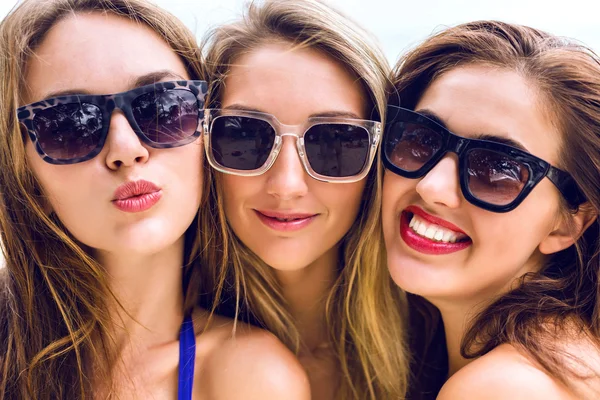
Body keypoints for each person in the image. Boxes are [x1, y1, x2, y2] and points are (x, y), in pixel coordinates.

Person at [0, 0, 309, 398]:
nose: (126, 149)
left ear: (206, 132)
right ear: (25, 175)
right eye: (69, 124)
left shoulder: (252, 379)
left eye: (163, 107)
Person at [199, 0, 409, 398]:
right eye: (245, 135)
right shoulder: (164, 358)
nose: (287, 184)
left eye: (335, 140)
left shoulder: (437, 343)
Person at [382, 20, 600, 399]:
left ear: (567, 224)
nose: (432, 187)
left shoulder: (504, 387)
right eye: (420, 139)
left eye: (497, 169)